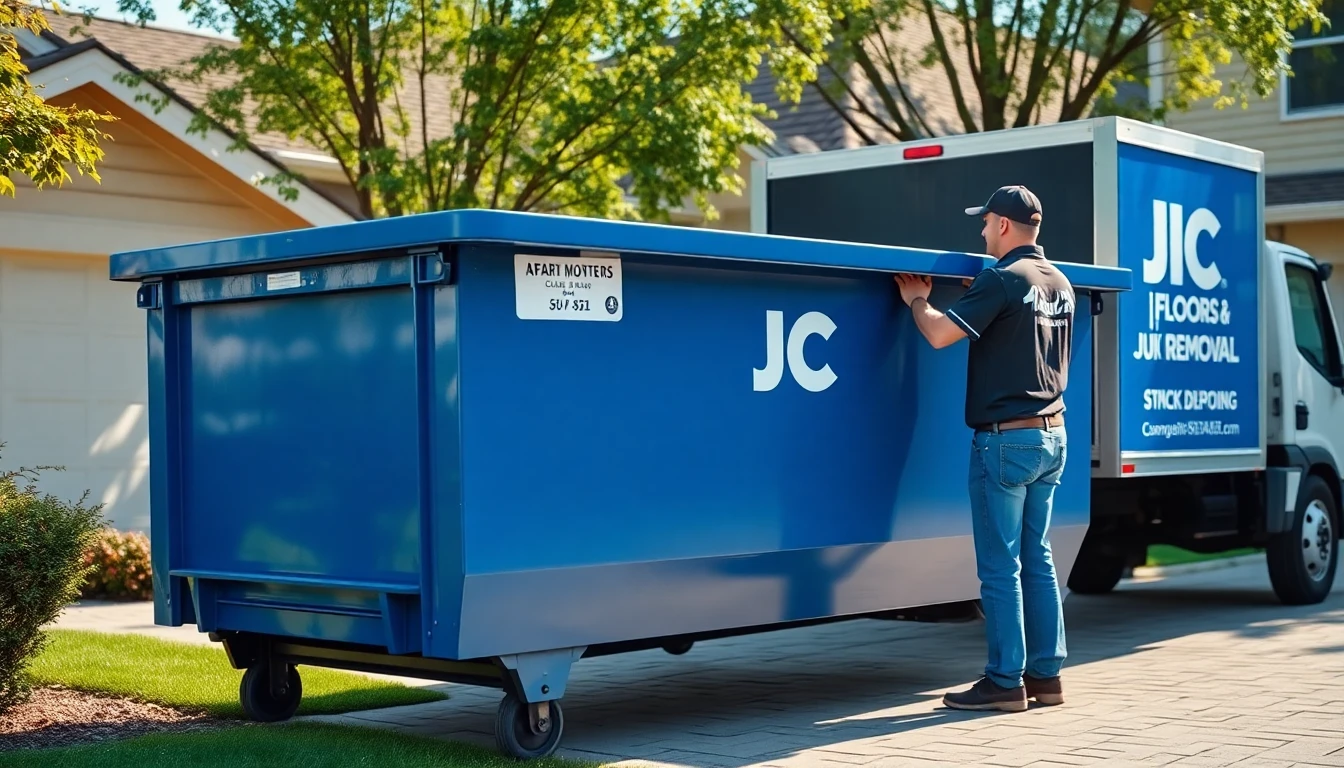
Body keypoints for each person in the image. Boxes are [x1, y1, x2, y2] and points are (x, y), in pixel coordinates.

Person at [893, 185, 1074, 713]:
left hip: (1005, 443)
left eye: (986, 221)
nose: (980, 231)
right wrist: (984, 295)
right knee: (1038, 558)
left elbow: (940, 336)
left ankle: (1003, 682)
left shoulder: (1001, 281)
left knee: (1000, 566)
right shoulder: (1058, 282)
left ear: (1002, 226)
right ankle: (1046, 677)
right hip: (1051, 435)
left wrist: (917, 300)